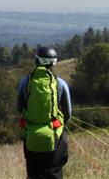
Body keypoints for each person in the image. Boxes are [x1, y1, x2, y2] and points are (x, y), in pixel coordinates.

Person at [17, 45, 72, 179]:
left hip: (31, 137)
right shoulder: (61, 84)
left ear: (37, 61)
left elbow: (20, 108)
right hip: (54, 136)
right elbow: (68, 113)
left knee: (33, 174)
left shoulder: (26, 82)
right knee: (54, 173)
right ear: (54, 63)